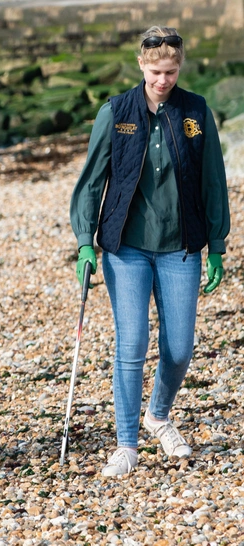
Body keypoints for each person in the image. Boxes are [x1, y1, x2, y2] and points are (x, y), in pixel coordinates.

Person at [70, 27, 230, 477]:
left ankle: (158, 415)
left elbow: (213, 178)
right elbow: (90, 182)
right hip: (126, 247)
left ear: (181, 66)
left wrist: (216, 244)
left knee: (179, 349)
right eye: (157, 71)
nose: (164, 79)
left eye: (172, 71)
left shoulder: (195, 111)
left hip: (181, 246)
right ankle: (126, 444)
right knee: (133, 343)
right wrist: (85, 242)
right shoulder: (115, 112)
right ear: (141, 64)